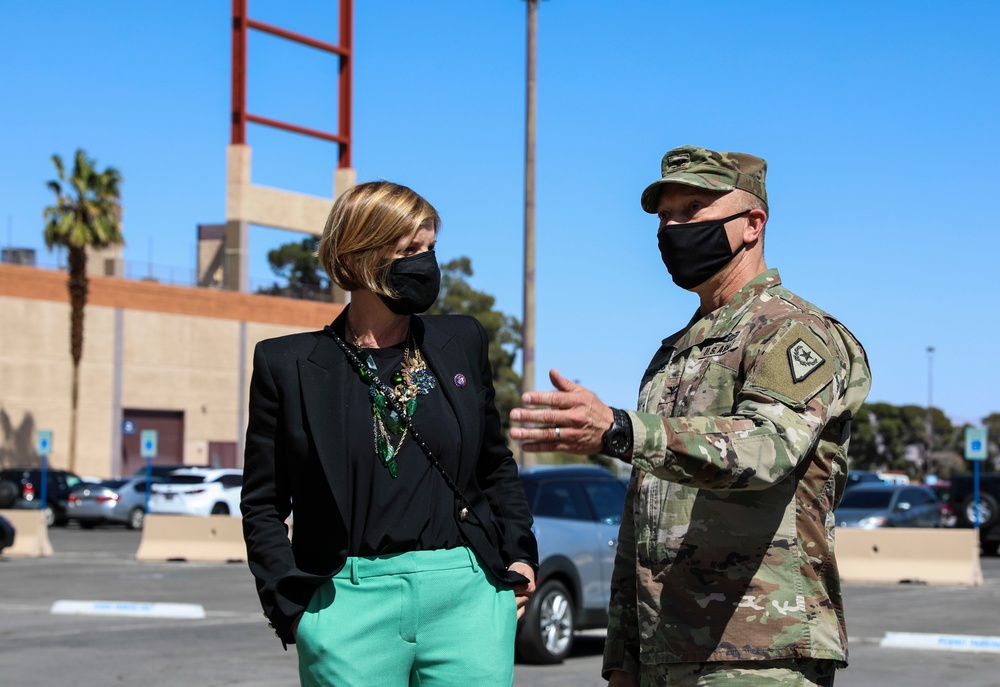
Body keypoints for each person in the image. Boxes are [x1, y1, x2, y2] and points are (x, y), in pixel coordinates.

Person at [510, 146, 871, 686]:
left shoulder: (791, 332)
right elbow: (644, 517)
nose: (672, 229)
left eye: (692, 210)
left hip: (757, 652)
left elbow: (764, 449)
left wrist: (620, 428)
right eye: (663, 217)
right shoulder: (676, 352)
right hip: (665, 652)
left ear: (752, 224)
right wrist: (622, 656)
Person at [241, 180, 538, 687]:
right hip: (346, 601)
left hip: (466, 593)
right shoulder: (286, 364)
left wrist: (520, 555)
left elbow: (494, 463)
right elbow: (263, 501)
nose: (425, 263)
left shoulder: (461, 341)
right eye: (408, 251)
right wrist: (292, 607)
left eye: (430, 249)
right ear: (357, 258)